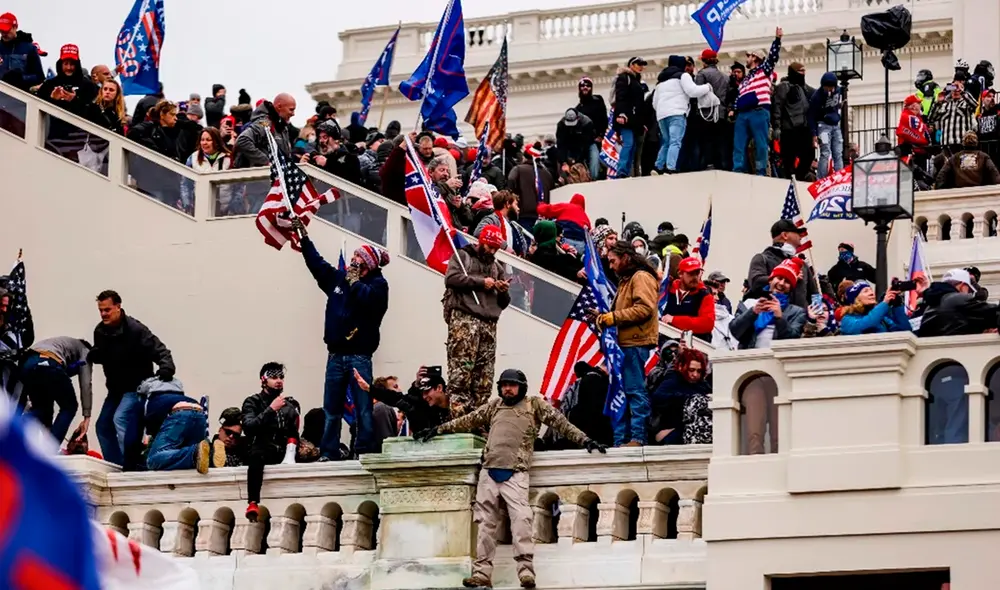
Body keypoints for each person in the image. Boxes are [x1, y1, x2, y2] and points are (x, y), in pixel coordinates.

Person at [416, 368, 606, 589]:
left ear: (521, 386)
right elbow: (467, 421)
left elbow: (561, 423)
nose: (508, 388)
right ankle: (481, 574)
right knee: (485, 525)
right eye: (504, 384)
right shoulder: (495, 406)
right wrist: (438, 430)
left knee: (521, 523)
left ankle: (526, 572)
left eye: (512, 384)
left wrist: (585, 441)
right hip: (489, 472)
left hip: (516, 472)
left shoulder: (534, 405)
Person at [291, 219, 390, 460]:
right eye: (353, 259)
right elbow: (318, 265)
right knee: (331, 409)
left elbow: (367, 301)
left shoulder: (379, 285)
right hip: (335, 354)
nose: (353, 264)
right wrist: (304, 239)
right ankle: (329, 451)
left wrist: (355, 281)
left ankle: (364, 450)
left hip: (360, 355)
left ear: (368, 265)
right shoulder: (338, 280)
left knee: (363, 408)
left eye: (359, 261)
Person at [89, 290, 175, 469]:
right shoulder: (100, 331)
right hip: (115, 389)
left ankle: (133, 462)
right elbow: (104, 353)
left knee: (120, 418)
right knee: (102, 426)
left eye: (107, 309)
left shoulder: (136, 330)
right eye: (101, 310)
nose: (104, 314)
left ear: (118, 307)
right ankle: (116, 466)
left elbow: (160, 349)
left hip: (136, 386)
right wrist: (96, 355)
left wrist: (166, 367)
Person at [730, 259, 806, 454]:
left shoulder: (796, 312)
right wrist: (753, 312)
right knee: (754, 430)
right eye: (779, 278)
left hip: (778, 375)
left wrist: (780, 317)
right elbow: (735, 331)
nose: (781, 283)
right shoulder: (750, 304)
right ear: (771, 279)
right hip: (753, 375)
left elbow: (793, 338)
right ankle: (755, 470)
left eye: (787, 281)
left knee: (779, 431)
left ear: (791, 287)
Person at [595, 241, 659, 447]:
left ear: (625, 257)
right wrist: (602, 318)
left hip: (634, 344)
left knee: (634, 390)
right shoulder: (626, 280)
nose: (611, 266)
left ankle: (638, 438)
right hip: (623, 345)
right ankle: (620, 439)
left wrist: (612, 317)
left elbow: (644, 309)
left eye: (613, 261)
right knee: (619, 392)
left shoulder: (640, 277)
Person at [444, 226, 511, 417]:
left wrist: (502, 289)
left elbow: (503, 303)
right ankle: (459, 418)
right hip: (465, 319)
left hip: (489, 324)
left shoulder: (497, 267)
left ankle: (479, 419)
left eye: (495, 249)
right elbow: (451, 279)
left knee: (484, 378)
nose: (492, 252)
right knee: (461, 373)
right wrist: (481, 283)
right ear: (481, 241)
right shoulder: (463, 257)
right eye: (490, 247)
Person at [242, 363, 301, 521]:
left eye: (281, 377)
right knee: (257, 455)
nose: (279, 381)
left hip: (282, 451)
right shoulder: (252, 402)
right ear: (263, 379)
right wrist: (270, 410)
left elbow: (293, 432)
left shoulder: (288, 407)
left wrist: (291, 452)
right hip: (261, 450)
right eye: (274, 377)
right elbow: (249, 427)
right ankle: (253, 502)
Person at [20, 337, 92, 443]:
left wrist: (48, 429)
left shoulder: (61, 344)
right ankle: (51, 449)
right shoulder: (85, 350)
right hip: (49, 363)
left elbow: (55, 381)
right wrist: (87, 417)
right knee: (69, 407)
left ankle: (11, 429)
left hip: (28, 365)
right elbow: (86, 383)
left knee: (42, 410)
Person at [651, 55, 713, 174]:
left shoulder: (661, 82)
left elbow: (654, 103)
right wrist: (707, 87)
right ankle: (670, 168)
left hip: (662, 115)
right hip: (677, 113)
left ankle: (657, 167)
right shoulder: (683, 76)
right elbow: (692, 91)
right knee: (675, 141)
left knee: (666, 142)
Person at [144, 380, 222, 473]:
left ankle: (194, 453)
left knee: (153, 459)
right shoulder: (176, 396)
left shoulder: (149, 402)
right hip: (199, 413)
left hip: (180, 414)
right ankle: (211, 454)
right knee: (198, 460)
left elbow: (149, 435)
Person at [733, 28, 783, 174]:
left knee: (761, 145)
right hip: (743, 114)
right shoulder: (745, 79)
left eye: (748, 56)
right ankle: (738, 170)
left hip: (759, 111)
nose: (746, 58)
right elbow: (740, 95)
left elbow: (773, 57)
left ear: (755, 57)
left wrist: (777, 40)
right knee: (738, 144)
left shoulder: (764, 70)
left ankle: (761, 170)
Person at [354, 366, 455, 436]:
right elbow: (396, 398)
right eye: (422, 393)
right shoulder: (421, 406)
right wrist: (369, 388)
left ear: (439, 388)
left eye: (427, 391)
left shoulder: (461, 400)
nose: (424, 396)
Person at [747, 219, 817, 309]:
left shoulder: (803, 265)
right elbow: (755, 282)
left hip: (800, 320)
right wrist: (786, 276)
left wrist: (816, 316)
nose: (800, 237)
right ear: (785, 235)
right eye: (797, 233)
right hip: (773, 319)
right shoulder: (762, 258)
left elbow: (814, 296)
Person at [649, 347, 712, 445]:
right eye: (691, 370)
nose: (695, 374)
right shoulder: (673, 380)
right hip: (671, 433)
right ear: (681, 366)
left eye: (699, 371)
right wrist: (687, 399)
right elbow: (657, 398)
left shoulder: (703, 385)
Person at [918, 269, 1000, 337]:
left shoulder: (929, 306)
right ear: (962, 286)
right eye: (970, 290)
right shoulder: (957, 299)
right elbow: (993, 313)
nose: (970, 294)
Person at [771, 62, 815, 181]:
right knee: (788, 158)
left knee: (809, 155)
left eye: (804, 71)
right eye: (800, 71)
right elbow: (777, 106)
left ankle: (799, 176)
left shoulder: (805, 88)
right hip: (789, 129)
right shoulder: (784, 86)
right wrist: (777, 127)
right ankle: (789, 178)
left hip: (804, 128)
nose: (803, 74)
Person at [127, 99, 202, 164]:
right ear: (162, 114)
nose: (175, 118)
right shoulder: (150, 128)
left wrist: (180, 122)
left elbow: (198, 129)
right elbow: (132, 133)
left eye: (175, 115)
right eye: (172, 115)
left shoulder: (179, 129)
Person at [661, 257, 716, 342]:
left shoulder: (705, 295)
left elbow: (707, 324)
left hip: (696, 347)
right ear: (680, 274)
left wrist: (674, 320)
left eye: (697, 273)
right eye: (691, 273)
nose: (695, 277)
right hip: (666, 344)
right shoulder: (667, 291)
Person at [234, 93, 296, 168]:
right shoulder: (265, 124)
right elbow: (242, 140)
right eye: (291, 109)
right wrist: (266, 162)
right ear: (279, 106)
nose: (293, 114)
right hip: (261, 176)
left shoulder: (282, 127)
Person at [693, 49, 730, 171]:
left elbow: (697, 93)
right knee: (720, 143)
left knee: (706, 142)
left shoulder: (702, 74)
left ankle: (707, 166)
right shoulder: (725, 77)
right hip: (721, 114)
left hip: (706, 115)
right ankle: (722, 167)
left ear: (704, 61)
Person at [35, 44, 96, 116]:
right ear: (60, 64)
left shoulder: (88, 85)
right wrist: (53, 99)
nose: (68, 67)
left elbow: (93, 113)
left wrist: (74, 100)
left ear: (77, 64)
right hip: (54, 125)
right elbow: (37, 108)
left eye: (72, 64)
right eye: (66, 64)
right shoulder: (49, 84)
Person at [612, 57, 648, 177]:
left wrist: (642, 123)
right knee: (628, 143)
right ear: (631, 65)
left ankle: (626, 171)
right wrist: (621, 114)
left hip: (635, 120)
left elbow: (639, 105)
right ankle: (621, 170)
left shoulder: (636, 81)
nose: (641, 66)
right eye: (638, 64)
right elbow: (620, 98)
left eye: (642, 64)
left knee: (632, 146)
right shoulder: (624, 78)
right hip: (625, 119)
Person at [838, 281, 911, 335]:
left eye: (871, 290)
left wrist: (897, 305)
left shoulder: (883, 319)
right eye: (866, 291)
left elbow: (905, 332)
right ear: (856, 299)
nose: (872, 293)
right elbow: (867, 324)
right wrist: (884, 302)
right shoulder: (847, 320)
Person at [304, 120, 363, 186]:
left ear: (336, 140)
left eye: (325, 137)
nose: (321, 141)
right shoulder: (318, 158)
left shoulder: (350, 158)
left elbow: (352, 182)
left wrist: (327, 163)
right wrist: (303, 165)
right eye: (319, 137)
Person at [934, 131, 1000, 189]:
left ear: (963, 143)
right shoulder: (983, 156)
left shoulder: (955, 157)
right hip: (978, 190)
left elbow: (941, 175)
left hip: (959, 191)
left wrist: (940, 190)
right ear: (976, 142)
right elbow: (994, 173)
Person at [809, 72, 844, 178]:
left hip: (835, 125)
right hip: (823, 126)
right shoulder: (817, 97)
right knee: (825, 152)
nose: (830, 90)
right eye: (827, 87)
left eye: (832, 87)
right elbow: (811, 115)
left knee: (838, 153)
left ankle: (839, 177)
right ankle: (821, 178)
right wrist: (814, 134)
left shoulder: (838, 91)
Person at [928, 81, 978, 154]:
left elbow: (975, 105)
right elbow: (931, 119)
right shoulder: (944, 105)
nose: (955, 90)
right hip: (946, 144)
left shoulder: (966, 103)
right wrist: (938, 103)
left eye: (958, 87)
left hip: (962, 144)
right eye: (953, 87)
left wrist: (962, 91)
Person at [0, 13, 44, 91]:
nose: (4, 34)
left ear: (15, 27)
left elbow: (39, 77)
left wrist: (21, 78)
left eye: (6, 30)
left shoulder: (29, 48)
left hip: (22, 96)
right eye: (1, 30)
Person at [507, 154, 553, 231]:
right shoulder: (547, 174)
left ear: (524, 157)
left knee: (525, 241)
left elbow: (509, 187)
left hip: (523, 214)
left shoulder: (518, 169)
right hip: (543, 217)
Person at [575, 77, 608, 179]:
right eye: (583, 86)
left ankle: (594, 179)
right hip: (583, 141)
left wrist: (601, 134)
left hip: (595, 139)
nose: (585, 88)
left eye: (588, 86)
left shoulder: (597, 100)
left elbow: (603, 117)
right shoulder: (578, 108)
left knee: (595, 159)